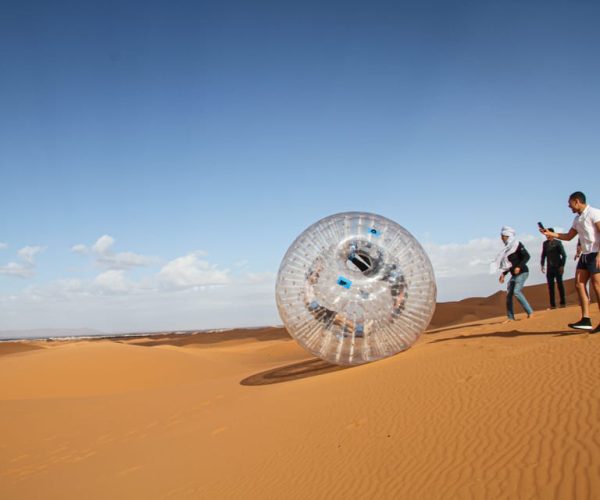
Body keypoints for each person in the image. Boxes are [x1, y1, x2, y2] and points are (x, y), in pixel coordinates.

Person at [540, 191, 600, 332]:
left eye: (570, 203)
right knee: (579, 285)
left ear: (577, 201)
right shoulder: (577, 219)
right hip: (585, 255)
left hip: (595, 254)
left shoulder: (594, 213)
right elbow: (568, 236)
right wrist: (550, 233)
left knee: (597, 287)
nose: (569, 206)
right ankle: (586, 319)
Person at [493, 226, 534, 321]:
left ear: (508, 236)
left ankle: (530, 312)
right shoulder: (507, 249)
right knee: (509, 295)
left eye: (503, 236)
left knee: (516, 292)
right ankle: (510, 317)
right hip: (514, 275)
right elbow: (508, 264)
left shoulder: (517, 244)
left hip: (523, 272)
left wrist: (519, 266)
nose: (501, 238)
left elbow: (527, 256)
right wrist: (503, 274)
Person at [541, 227, 567, 309]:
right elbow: (543, 255)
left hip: (558, 267)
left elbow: (564, 255)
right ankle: (552, 305)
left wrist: (562, 266)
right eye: (546, 235)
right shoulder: (545, 243)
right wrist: (542, 265)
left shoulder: (558, 243)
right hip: (549, 268)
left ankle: (563, 303)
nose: (547, 236)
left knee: (560, 285)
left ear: (551, 233)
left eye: (548, 234)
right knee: (550, 287)